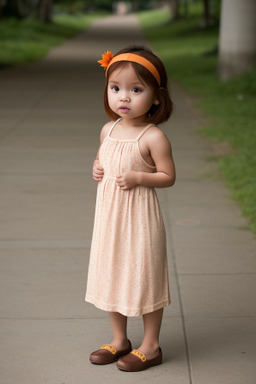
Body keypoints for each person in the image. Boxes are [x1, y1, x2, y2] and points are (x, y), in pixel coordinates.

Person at [85, 45, 176, 372]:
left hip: (139, 221)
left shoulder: (153, 137)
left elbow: (168, 176)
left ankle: (150, 345)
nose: (124, 97)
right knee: (111, 273)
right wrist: (97, 166)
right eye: (116, 88)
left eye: (136, 90)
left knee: (145, 276)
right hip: (110, 220)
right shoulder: (107, 130)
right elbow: (104, 160)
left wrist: (140, 176)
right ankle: (119, 338)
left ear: (155, 97)